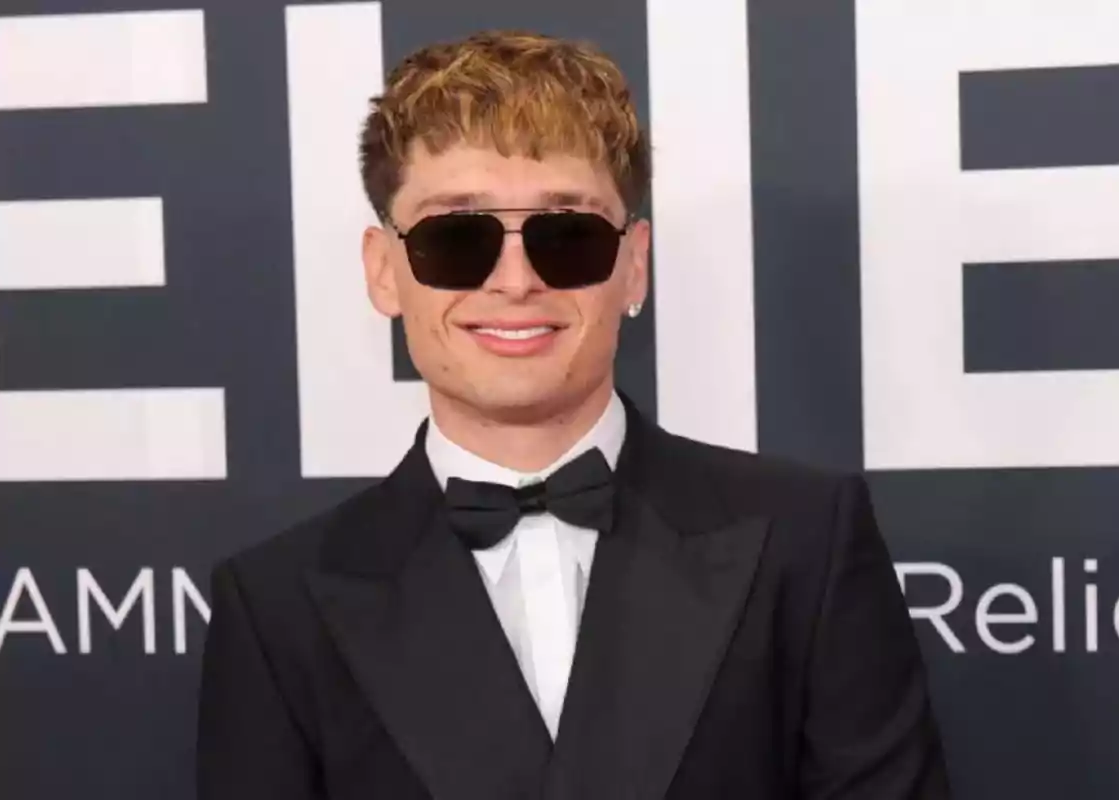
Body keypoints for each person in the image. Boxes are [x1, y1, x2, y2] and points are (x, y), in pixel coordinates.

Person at [195, 29, 950, 800]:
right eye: (457, 237)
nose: (517, 281)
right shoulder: (277, 605)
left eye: (569, 235)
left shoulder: (806, 544)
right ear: (385, 272)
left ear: (634, 265)